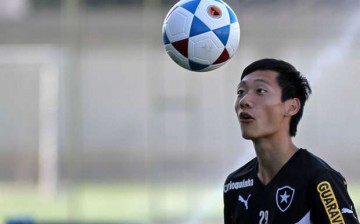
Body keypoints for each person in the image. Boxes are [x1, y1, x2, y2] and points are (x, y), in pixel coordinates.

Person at [223, 58, 359, 224]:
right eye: (240, 92)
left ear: (292, 107)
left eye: (260, 91)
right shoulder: (234, 185)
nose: (244, 101)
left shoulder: (319, 179)